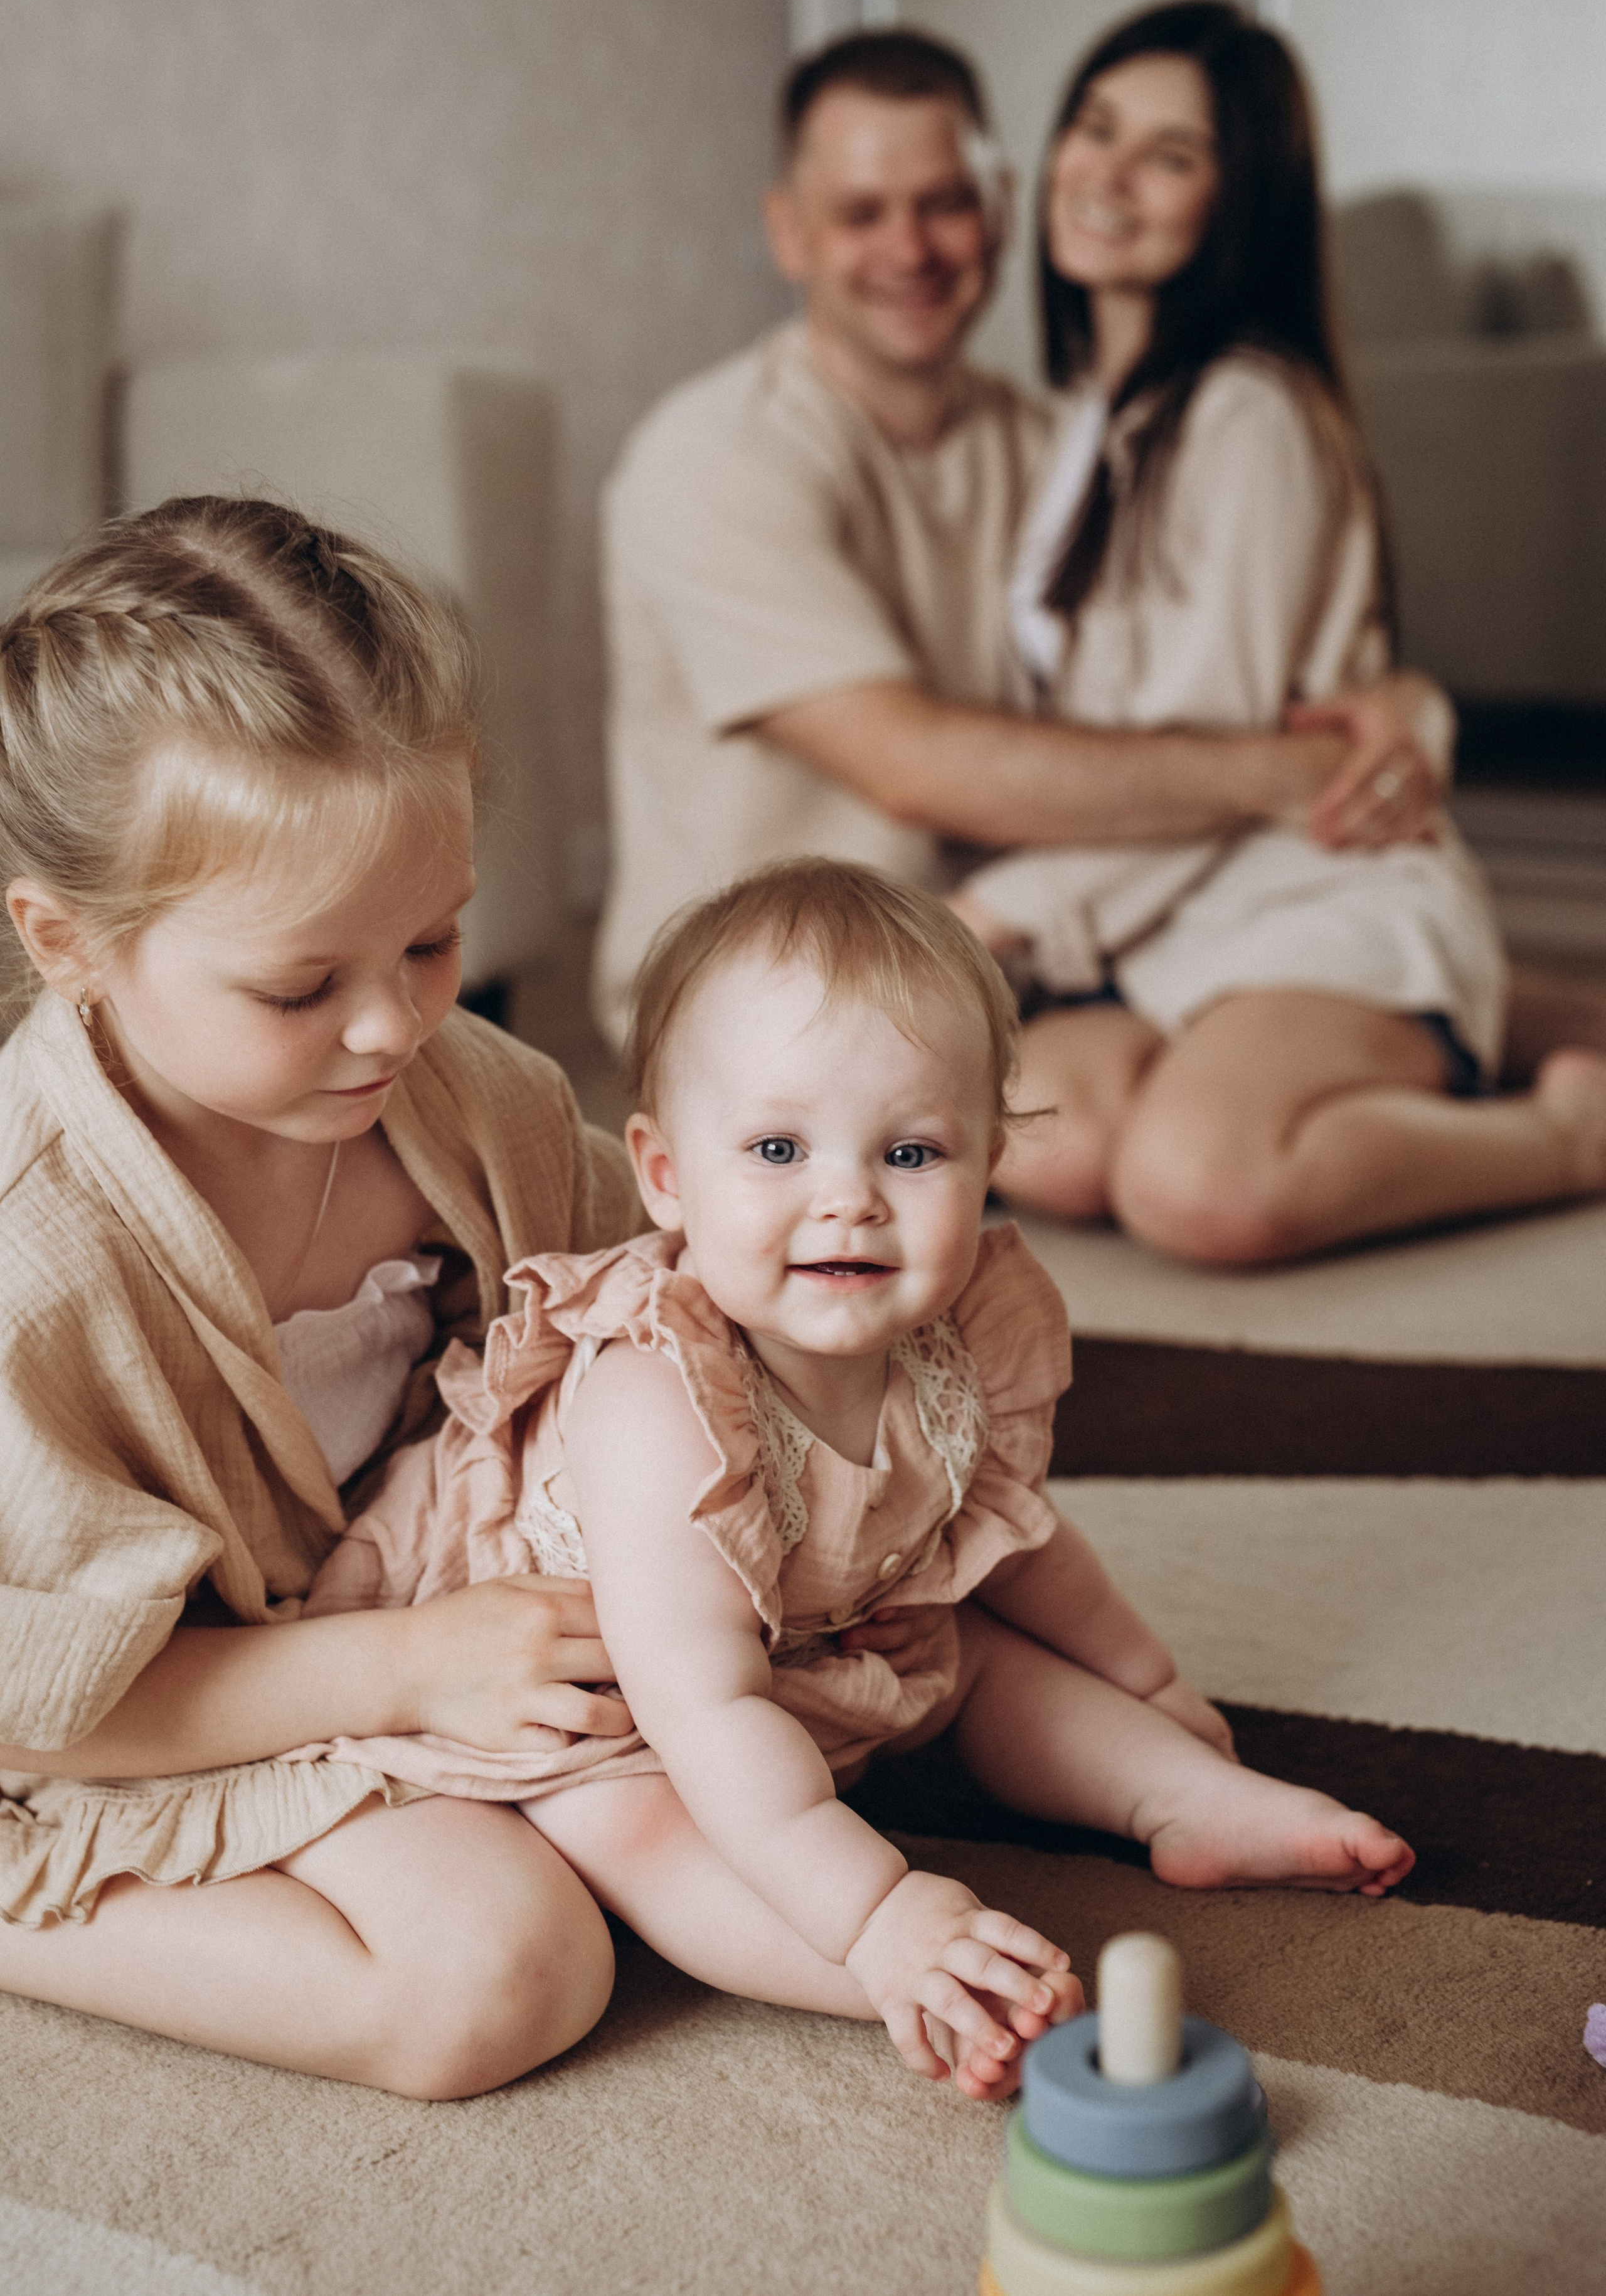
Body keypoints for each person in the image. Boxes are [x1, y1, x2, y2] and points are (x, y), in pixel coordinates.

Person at [305, 861, 1415, 2103]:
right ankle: (898, 1975)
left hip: (810, 1631)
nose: (847, 1199)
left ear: (988, 1158)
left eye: (909, 1151)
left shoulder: (949, 1343)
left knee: (973, 1649)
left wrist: (1147, 1684)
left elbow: (1015, 1535)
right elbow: (708, 1710)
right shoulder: (655, 1400)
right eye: (776, 1147)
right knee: (638, 1825)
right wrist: (881, 1908)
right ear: (665, 1175)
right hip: (598, 1697)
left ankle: (1185, 1803)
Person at [0, 496, 651, 2098]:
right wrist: (406, 1670)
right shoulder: (36, 1261)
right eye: (302, 987)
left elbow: (651, 1301)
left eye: (431, 941)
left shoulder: (467, 1098)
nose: (387, 1030)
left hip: (344, 1630)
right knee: (498, 1974)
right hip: (91, 1712)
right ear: (68, 943)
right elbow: (55, 1705)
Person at [593, 25, 1428, 1053]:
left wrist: (1407, 705)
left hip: (1007, 959)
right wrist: (1276, 773)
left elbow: (1236, 642)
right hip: (771, 990)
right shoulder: (712, 456)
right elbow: (911, 765)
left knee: (1139, 1125)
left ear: (997, 206)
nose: (910, 251)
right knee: (1110, 1146)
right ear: (789, 234)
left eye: (943, 203)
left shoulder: (1061, 448)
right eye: (861, 215)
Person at [945, 0, 1606, 1258]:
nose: (1108, 174)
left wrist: (997, 916)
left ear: (1235, 201)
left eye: (1170, 156)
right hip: (1166, 920)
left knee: (1194, 1185)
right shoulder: (1086, 416)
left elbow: (1208, 760)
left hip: (1310, 885)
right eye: (1094, 127)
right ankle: (1462, 1032)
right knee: (1044, 1135)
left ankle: (1563, 1126)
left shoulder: (1245, 413)